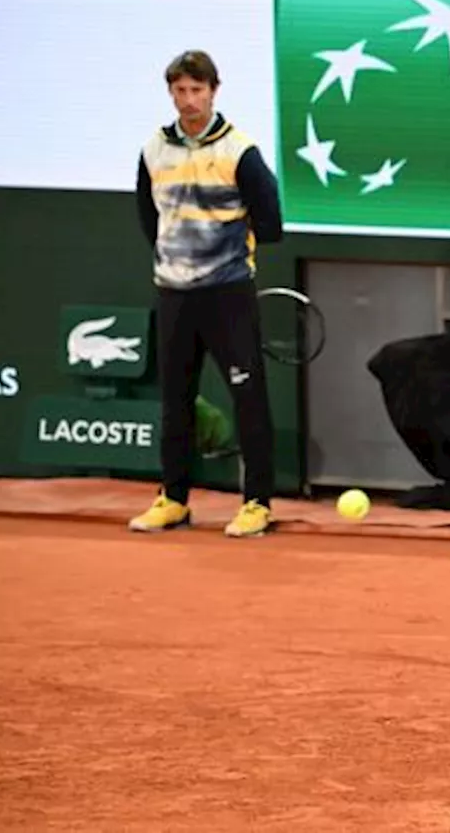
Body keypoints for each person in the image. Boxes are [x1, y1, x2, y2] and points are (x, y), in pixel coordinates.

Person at [128, 50, 284, 538]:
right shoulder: (154, 149)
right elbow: (148, 216)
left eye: (198, 90)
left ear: (214, 91)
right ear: (171, 93)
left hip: (228, 295)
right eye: (180, 91)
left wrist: (223, 255)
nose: (189, 100)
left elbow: (271, 221)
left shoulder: (239, 151)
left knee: (248, 398)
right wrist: (179, 261)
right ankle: (173, 499)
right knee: (176, 401)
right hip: (173, 294)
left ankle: (257, 503)